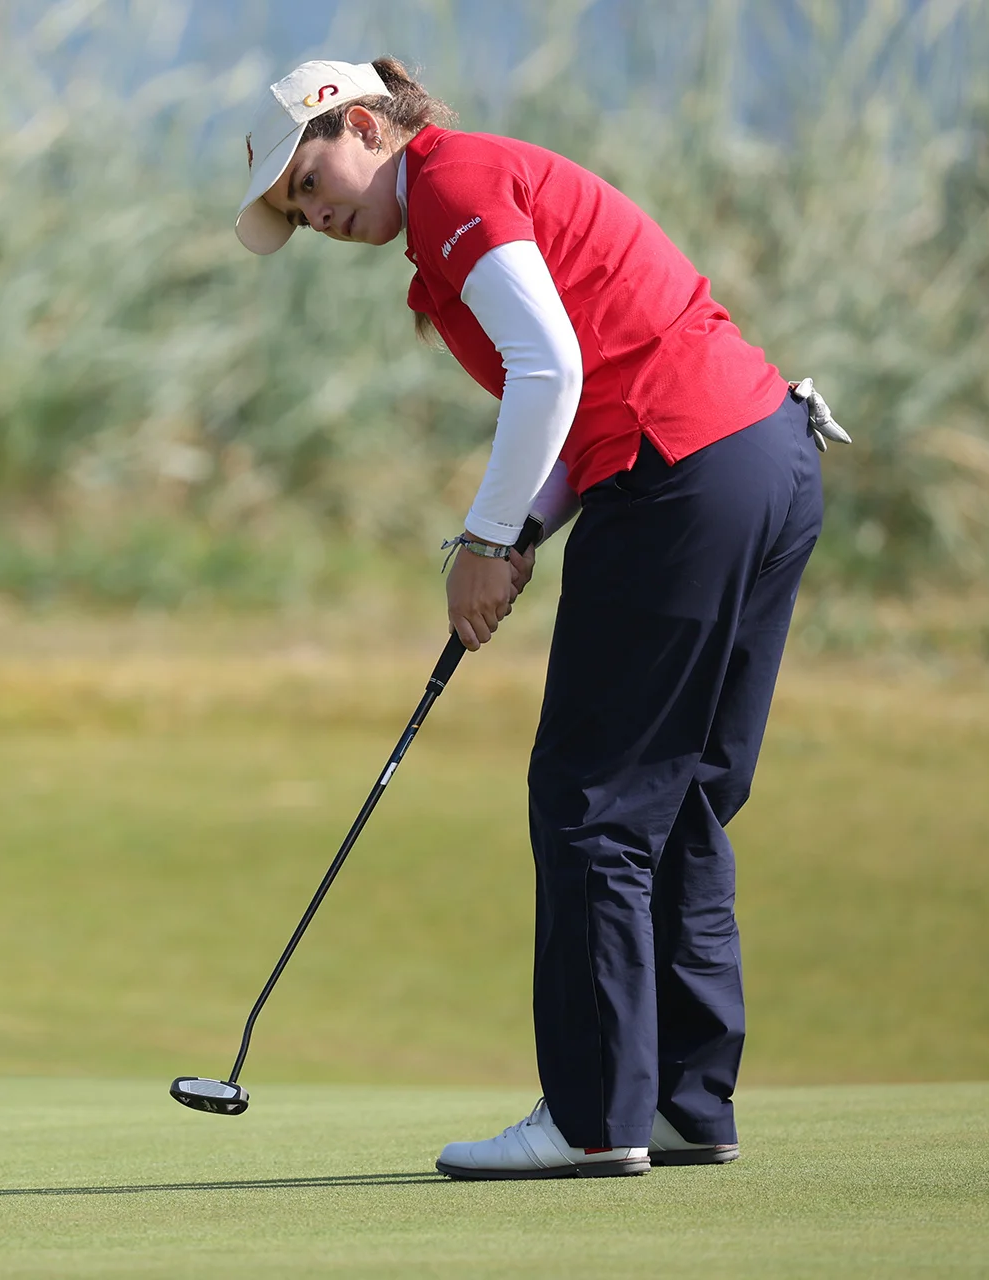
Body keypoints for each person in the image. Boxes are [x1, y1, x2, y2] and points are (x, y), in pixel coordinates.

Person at [235, 58, 837, 1179]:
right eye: (296, 212)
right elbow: (579, 384)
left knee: (590, 801)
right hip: (762, 455)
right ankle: (685, 1102)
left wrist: (478, 536)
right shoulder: (461, 202)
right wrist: (522, 533)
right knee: (680, 792)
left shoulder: (454, 189)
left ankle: (597, 1114)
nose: (314, 214)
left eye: (310, 180)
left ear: (363, 126)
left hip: (684, 472)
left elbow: (546, 365)